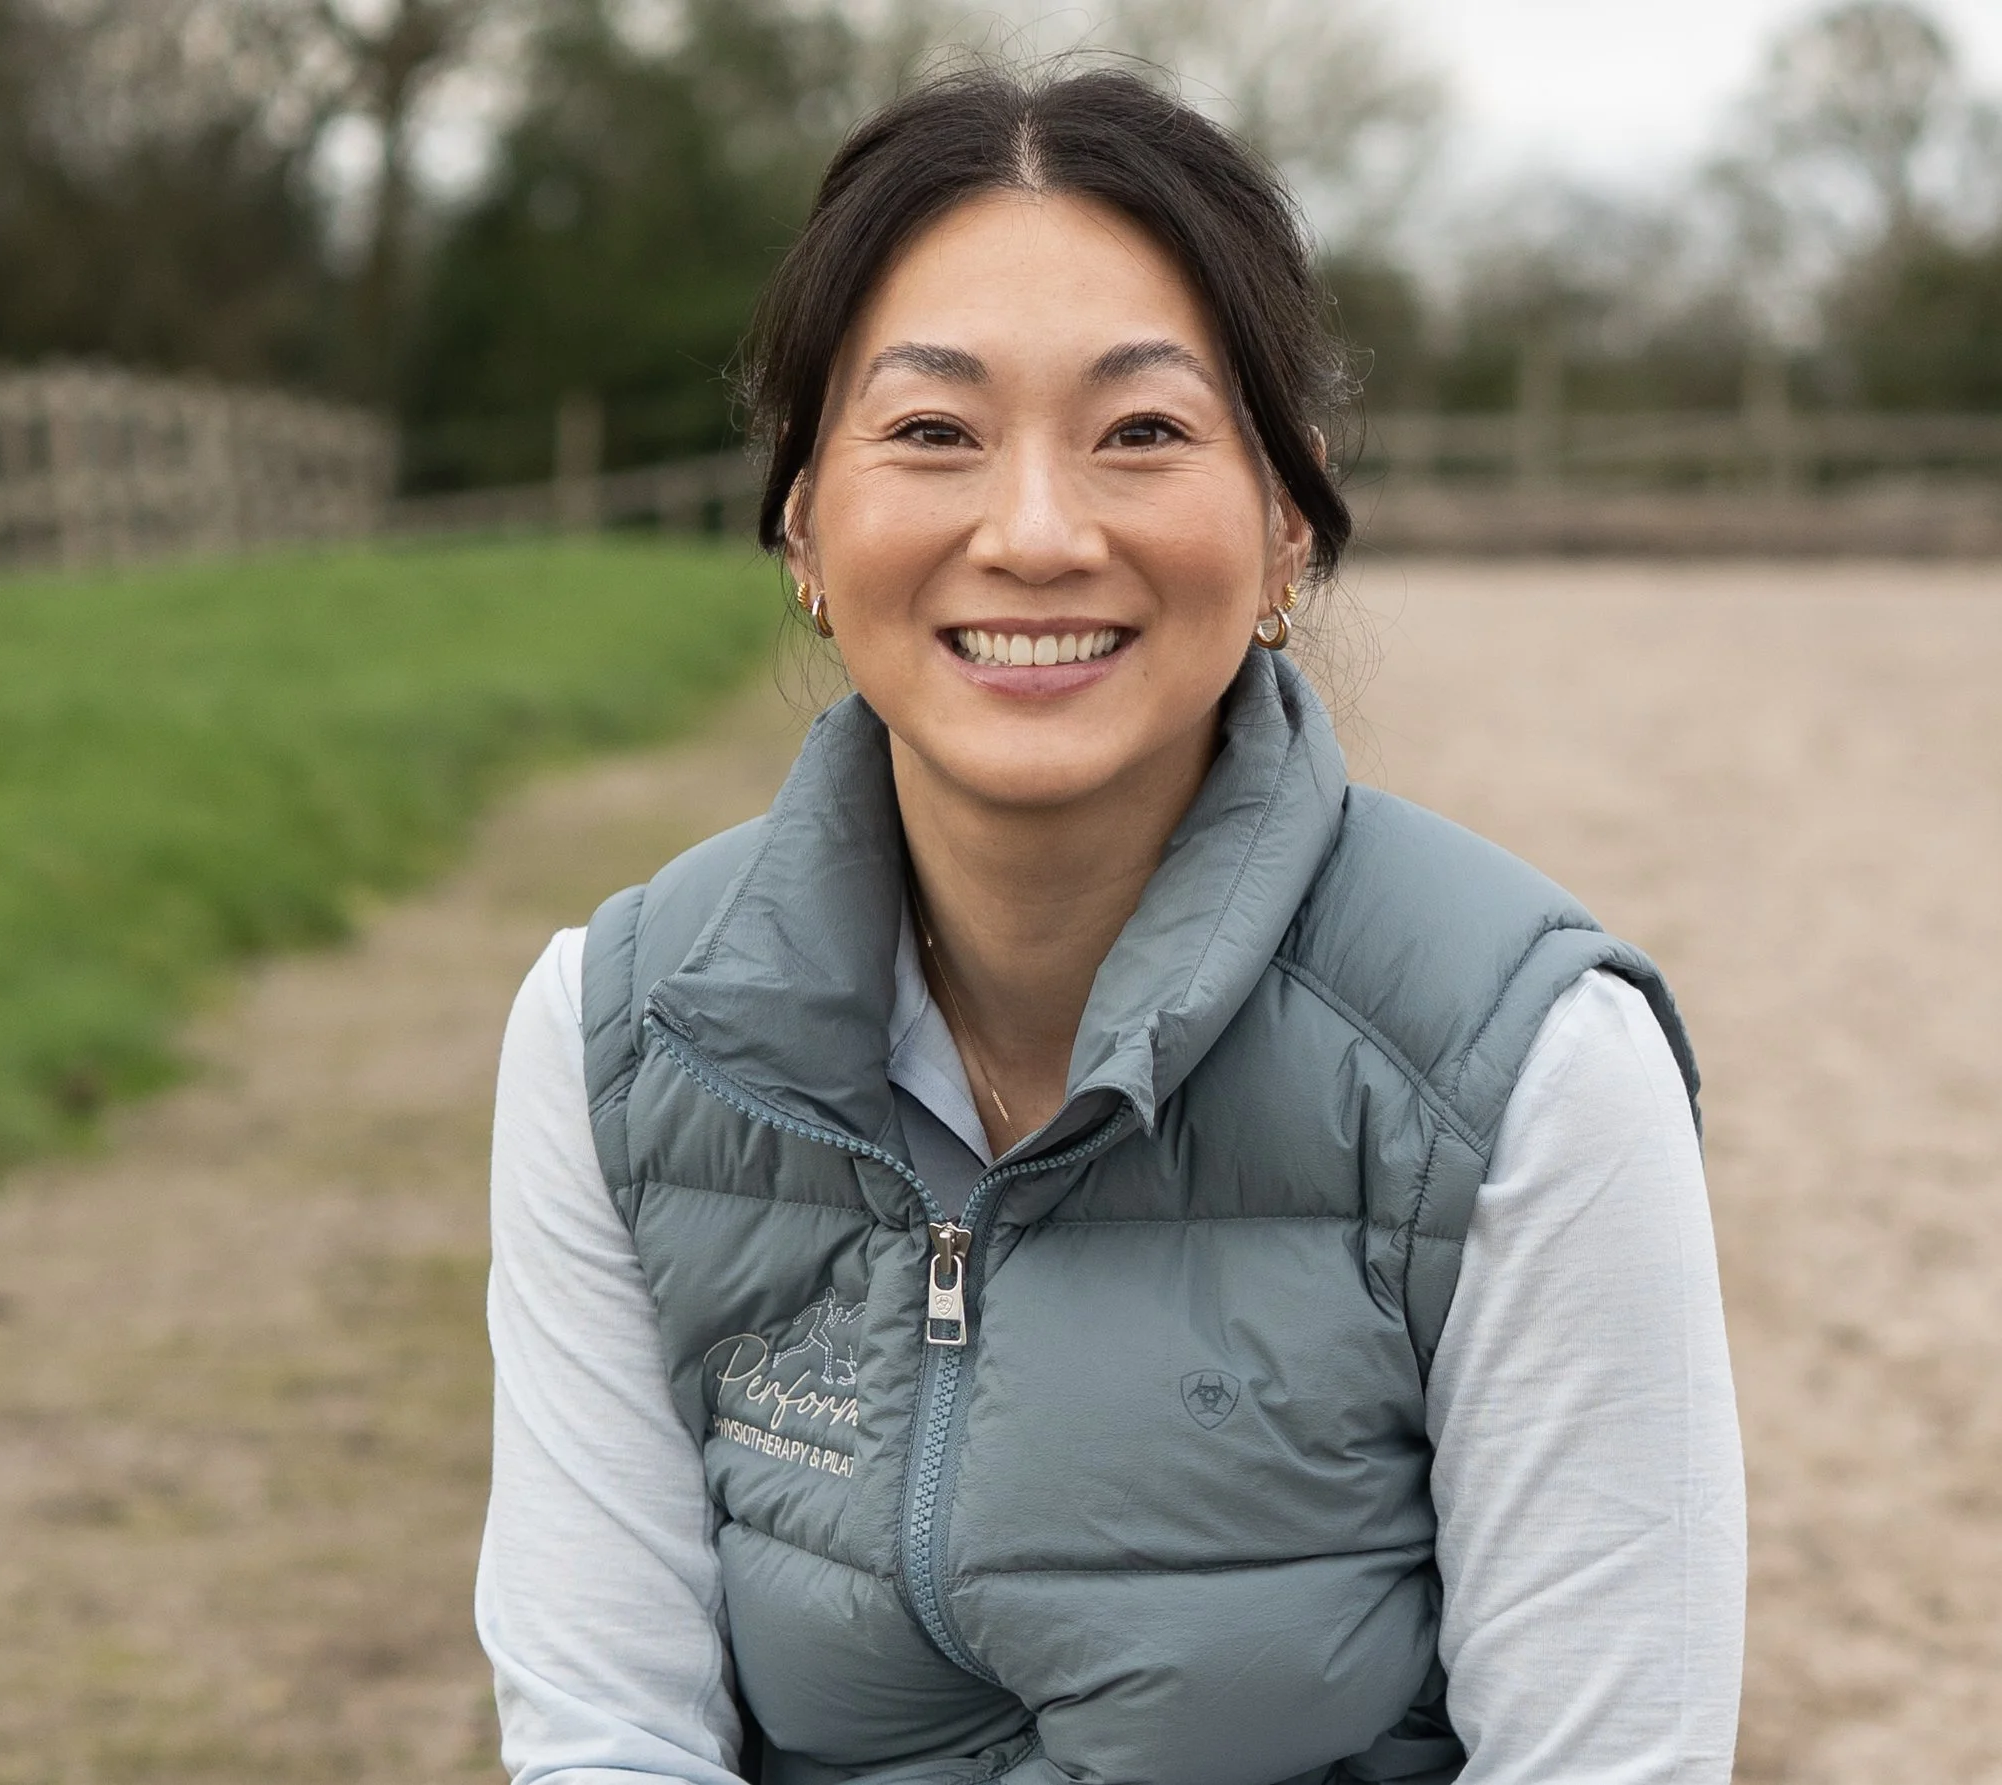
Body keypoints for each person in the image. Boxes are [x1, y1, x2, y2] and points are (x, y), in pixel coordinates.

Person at [476, 63, 1744, 1785]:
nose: (1038, 532)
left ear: (1286, 521)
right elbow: (607, 1730)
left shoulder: (1531, 1073)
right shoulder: (610, 1036)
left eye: (1143, 432)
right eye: (932, 431)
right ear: (802, 523)